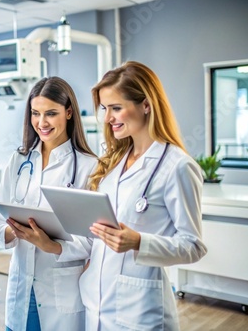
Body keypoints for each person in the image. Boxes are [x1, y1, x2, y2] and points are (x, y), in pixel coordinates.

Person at [53, 61, 208, 330]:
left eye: (116, 108)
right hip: (96, 301)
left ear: (145, 105)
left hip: (140, 308)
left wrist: (139, 242)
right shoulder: (114, 162)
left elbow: (193, 246)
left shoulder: (177, 166)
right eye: (104, 109)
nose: (107, 118)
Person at [0, 76, 98, 331]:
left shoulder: (89, 167)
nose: (42, 123)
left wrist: (52, 246)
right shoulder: (18, 161)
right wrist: (11, 231)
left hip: (61, 289)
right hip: (21, 285)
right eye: (35, 113)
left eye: (51, 113)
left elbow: (95, 240)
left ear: (69, 112)